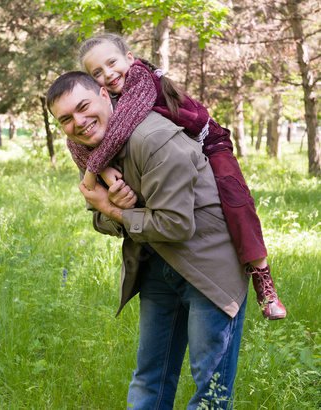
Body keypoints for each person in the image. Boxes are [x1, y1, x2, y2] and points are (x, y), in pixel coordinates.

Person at [46, 71, 248, 409]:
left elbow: (176, 226)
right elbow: (99, 217)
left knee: (209, 388)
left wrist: (117, 212)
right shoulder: (94, 152)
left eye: (83, 107)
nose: (78, 123)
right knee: (150, 375)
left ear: (104, 95)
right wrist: (111, 210)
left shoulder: (153, 138)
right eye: (65, 119)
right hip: (158, 264)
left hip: (210, 271)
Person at [67, 33, 285, 320]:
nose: (107, 74)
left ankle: (262, 277)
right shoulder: (108, 103)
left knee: (237, 201)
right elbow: (75, 143)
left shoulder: (140, 82)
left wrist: (97, 169)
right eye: (97, 72)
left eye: (112, 63)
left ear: (129, 59)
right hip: (180, 158)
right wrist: (102, 167)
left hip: (209, 139)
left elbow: (117, 132)